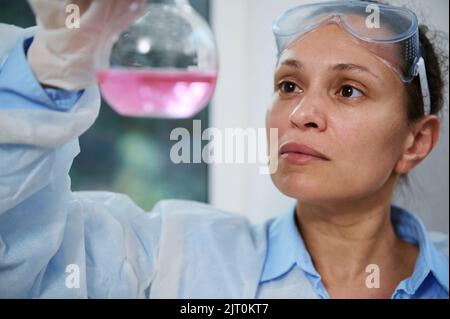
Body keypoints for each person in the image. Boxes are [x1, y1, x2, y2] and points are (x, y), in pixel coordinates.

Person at [0, 0, 448, 299]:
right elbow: (20, 264)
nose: (301, 113)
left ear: (416, 141)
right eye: (288, 85)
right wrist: (50, 69)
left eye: (349, 90)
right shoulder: (168, 257)